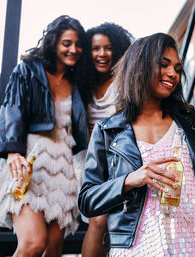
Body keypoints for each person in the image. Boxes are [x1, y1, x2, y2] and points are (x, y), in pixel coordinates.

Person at [78, 33, 195, 256]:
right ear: (139, 67)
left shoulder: (188, 121)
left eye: (178, 69)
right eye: (164, 65)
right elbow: (87, 200)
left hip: (191, 245)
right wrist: (130, 180)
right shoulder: (109, 131)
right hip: (136, 248)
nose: (173, 74)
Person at [0, 15, 87, 257]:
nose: (73, 49)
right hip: (29, 161)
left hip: (63, 167)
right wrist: (13, 151)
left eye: (78, 44)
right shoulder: (28, 70)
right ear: (54, 42)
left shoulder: (77, 82)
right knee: (34, 242)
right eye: (67, 43)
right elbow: (12, 109)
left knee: (53, 251)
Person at [76, 22, 133, 257]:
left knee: (118, 223)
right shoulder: (82, 83)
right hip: (92, 160)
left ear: (117, 49)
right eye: (96, 48)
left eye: (107, 48)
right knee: (97, 220)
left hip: (121, 158)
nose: (101, 54)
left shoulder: (125, 81)